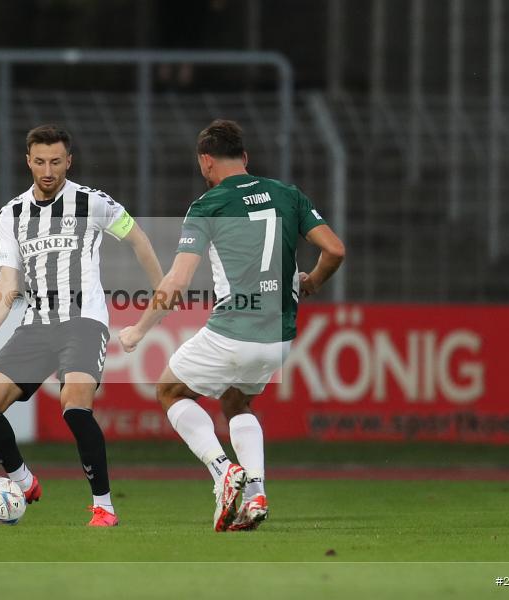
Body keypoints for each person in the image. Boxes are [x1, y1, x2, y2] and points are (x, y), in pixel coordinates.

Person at [118, 119, 345, 531]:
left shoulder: (209, 205)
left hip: (233, 330)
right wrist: (312, 281)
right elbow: (335, 250)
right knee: (237, 403)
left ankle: (222, 470)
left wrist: (138, 329)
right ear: (245, 157)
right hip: (279, 337)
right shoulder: (288, 194)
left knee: (169, 390)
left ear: (206, 161)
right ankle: (256, 493)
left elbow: (177, 282)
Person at [0, 124, 163, 527]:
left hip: (84, 322)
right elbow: (7, 284)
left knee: (74, 404)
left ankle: (104, 507)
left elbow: (138, 238)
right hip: (36, 325)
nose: (48, 170)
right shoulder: (12, 214)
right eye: (40, 162)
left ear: (68, 161)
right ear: (28, 161)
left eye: (56, 162)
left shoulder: (93, 202)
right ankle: (23, 480)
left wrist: (163, 287)